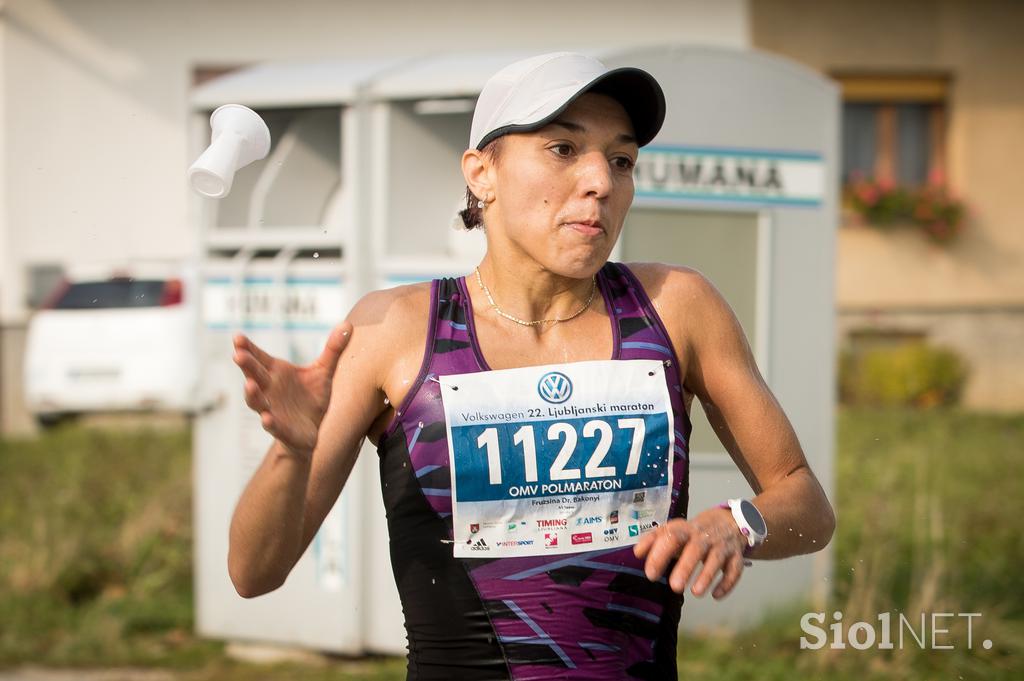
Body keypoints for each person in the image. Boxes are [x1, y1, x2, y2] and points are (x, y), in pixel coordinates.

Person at [228, 52, 836, 680]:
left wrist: (738, 524)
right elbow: (254, 574)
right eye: (563, 149)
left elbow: (808, 506)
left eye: (621, 160)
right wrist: (290, 453)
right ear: (481, 172)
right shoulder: (395, 330)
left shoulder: (677, 307)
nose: (600, 180)